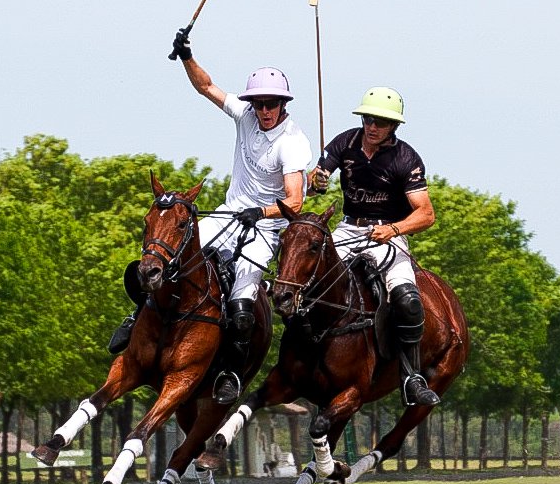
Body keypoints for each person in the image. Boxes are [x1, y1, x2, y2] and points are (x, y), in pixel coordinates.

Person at [109, 28, 312, 405]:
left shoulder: (293, 142)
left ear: (283, 104)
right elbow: (207, 87)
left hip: (265, 229)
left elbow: (295, 201)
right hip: (227, 215)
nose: (264, 111)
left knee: (241, 305)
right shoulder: (245, 115)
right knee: (168, 259)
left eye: (271, 104)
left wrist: (261, 211)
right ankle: (136, 319)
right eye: (259, 103)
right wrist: (186, 56)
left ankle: (231, 372)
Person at [307, 86, 441, 406]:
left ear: (393, 126)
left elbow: (426, 214)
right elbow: (315, 183)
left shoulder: (405, 158)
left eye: (380, 122)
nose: (371, 126)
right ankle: (301, 361)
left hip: (389, 235)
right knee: (308, 282)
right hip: (348, 230)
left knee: (407, 300)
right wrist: (316, 181)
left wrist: (394, 229)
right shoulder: (345, 142)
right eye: (367, 119)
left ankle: (410, 377)